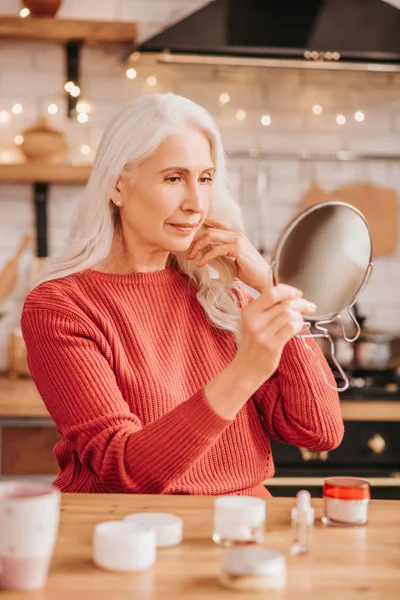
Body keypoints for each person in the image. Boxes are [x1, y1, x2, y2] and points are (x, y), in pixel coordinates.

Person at [21, 93, 344, 496]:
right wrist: (244, 372)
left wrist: (269, 284)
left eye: (205, 178)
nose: (195, 203)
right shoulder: (61, 307)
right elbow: (120, 469)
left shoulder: (220, 295)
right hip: (128, 533)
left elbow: (319, 430)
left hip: (242, 528)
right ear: (117, 186)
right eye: (174, 178)